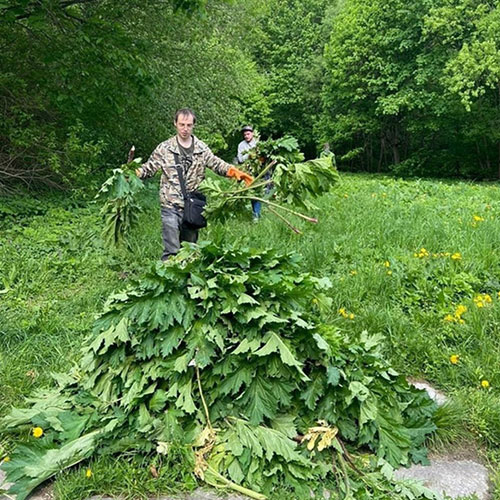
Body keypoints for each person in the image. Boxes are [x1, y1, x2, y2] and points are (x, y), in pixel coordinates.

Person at [136, 108, 253, 261]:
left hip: (192, 205)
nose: (185, 129)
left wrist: (233, 172)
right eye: (182, 124)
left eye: (189, 125)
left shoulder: (201, 148)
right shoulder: (164, 148)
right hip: (170, 203)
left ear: (193, 126)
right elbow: (149, 168)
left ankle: (187, 280)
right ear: (175, 124)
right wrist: (136, 173)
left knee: (189, 249)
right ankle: (167, 278)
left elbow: (216, 163)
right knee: (172, 249)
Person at [236, 125, 261, 220]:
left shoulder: (258, 143)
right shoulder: (241, 145)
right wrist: (249, 156)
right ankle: (242, 211)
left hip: (259, 171)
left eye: (248, 134)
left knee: (257, 192)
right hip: (247, 171)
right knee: (248, 192)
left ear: (252, 134)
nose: (246, 136)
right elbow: (240, 159)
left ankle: (256, 214)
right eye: (245, 134)